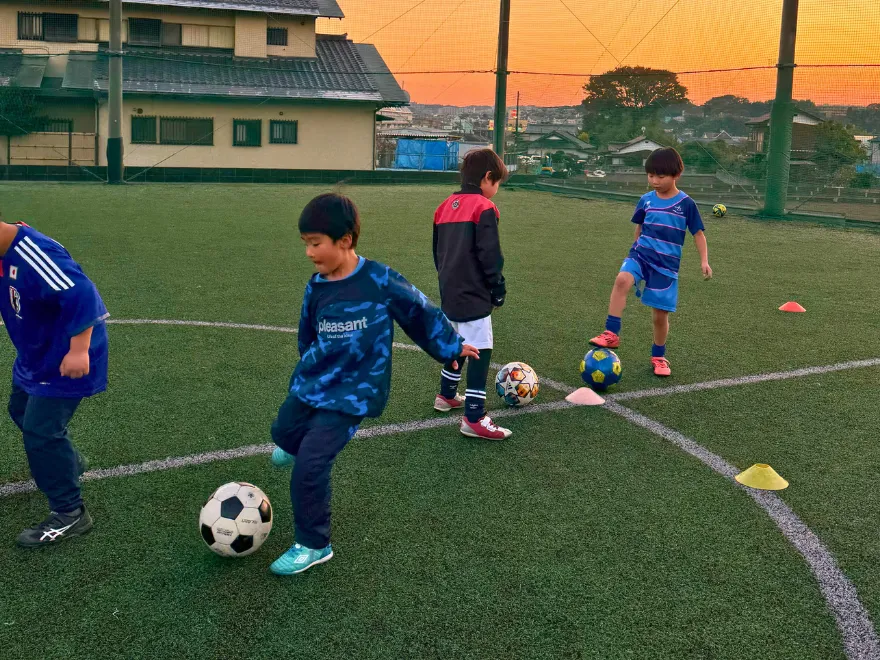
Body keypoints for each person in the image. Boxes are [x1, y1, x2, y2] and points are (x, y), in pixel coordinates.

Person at [268, 193, 478, 576]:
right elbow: (307, 331)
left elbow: (419, 310)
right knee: (282, 431)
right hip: (315, 380)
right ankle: (294, 445)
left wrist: (450, 347)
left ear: (345, 240)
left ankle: (313, 544)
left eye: (315, 243)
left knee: (311, 465)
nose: (309, 253)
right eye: (306, 244)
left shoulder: (379, 280)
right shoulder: (317, 285)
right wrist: (306, 367)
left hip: (354, 392)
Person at [0, 219, 109, 547]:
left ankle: (70, 512)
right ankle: (69, 463)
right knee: (20, 409)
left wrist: (78, 351)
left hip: (66, 357)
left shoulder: (34, 252)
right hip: (36, 355)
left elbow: (83, 295)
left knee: (41, 430)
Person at [589, 147, 712, 376]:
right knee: (622, 280)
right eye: (650, 175)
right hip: (641, 255)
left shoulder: (686, 204)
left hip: (666, 266)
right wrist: (634, 250)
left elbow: (698, 234)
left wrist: (704, 261)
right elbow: (640, 227)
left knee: (659, 316)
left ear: (676, 175)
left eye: (660, 176)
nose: (654, 181)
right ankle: (611, 333)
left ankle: (659, 357)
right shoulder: (645, 200)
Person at [432, 148, 511, 440]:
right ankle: (475, 417)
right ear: (487, 177)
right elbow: (490, 254)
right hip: (474, 291)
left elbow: (436, 252)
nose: (496, 188)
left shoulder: (443, 207)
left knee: (458, 343)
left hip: (449, 289)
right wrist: (497, 288)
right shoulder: (484, 207)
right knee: (480, 347)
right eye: (497, 182)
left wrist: (446, 280)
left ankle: (446, 395)